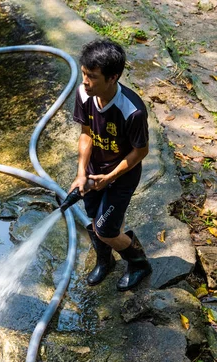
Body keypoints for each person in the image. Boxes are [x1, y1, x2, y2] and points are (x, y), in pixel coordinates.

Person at [69, 38, 152, 291]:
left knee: (105, 229)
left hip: (122, 175)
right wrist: (81, 173)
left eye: (92, 76)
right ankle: (105, 262)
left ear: (113, 77)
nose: (85, 81)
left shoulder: (132, 111)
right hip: (94, 170)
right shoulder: (85, 93)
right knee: (94, 218)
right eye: (84, 73)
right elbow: (86, 133)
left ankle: (139, 264)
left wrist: (111, 177)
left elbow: (141, 151)